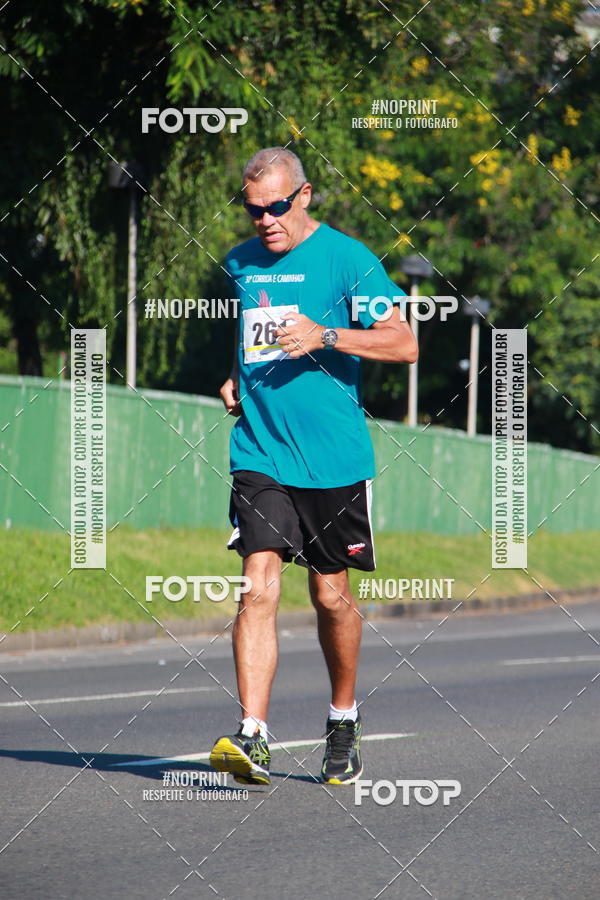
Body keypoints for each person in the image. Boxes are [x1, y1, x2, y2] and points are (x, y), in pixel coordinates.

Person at [209, 147, 418, 786]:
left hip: (333, 459)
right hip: (261, 452)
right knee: (258, 585)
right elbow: (254, 342)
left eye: (276, 207)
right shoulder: (241, 264)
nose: (265, 221)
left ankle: (344, 715)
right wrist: (235, 380)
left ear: (303, 196)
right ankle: (254, 734)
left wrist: (327, 335)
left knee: (331, 599)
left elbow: (406, 343)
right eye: (253, 211)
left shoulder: (348, 259)